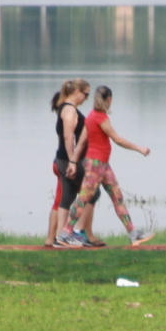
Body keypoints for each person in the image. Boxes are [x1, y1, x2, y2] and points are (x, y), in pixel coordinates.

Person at [56, 85, 155, 247]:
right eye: (111, 100)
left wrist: (74, 162)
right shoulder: (100, 118)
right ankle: (65, 234)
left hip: (102, 165)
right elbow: (117, 139)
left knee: (117, 197)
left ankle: (133, 233)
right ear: (108, 99)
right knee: (83, 199)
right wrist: (139, 148)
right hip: (95, 165)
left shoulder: (91, 116)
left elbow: (81, 142)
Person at [50, 80, 105, 248]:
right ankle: (76, 233)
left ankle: (60, 237)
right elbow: (68, 137)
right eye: (86, 94)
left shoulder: (64, 107)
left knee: (67, 197)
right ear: (77, 93)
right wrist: (73, 161)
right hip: (70, 160)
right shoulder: (70, 111)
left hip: (63, 159)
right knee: (92, 193)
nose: (87, 98)